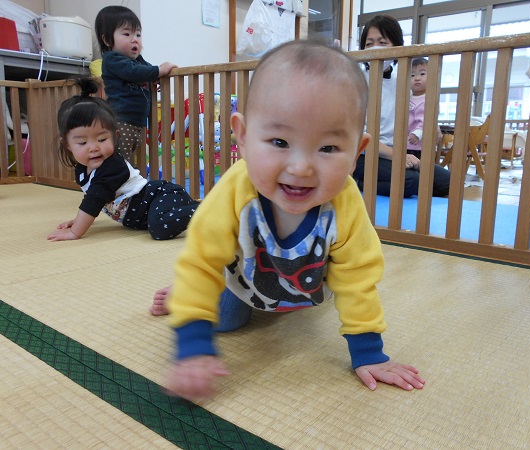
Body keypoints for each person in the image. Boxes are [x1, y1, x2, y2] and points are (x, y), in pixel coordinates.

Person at [153, 40, 425, 400]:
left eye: (327, 148)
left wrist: (369, 353)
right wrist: (192, 347)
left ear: (356, 153)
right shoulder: (235, 191)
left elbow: (358, 276)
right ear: (243, 137)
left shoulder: (345, 202)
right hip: (243, 281)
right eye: (280, 141)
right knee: (226, 320)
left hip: (306, 289)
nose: (300, 168)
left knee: (310, 306)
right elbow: (201, 260)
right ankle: (182, 295)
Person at [47, 78, 199, 242]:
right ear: (68, 145)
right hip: (153, 209)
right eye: (82, 143)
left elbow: (93, 201)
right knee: (156, 224)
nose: (93, 148)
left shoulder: (112, 167)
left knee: (159, 228)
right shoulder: (82, 171)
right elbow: (92, 202)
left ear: (115, 136)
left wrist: (75, 232)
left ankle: (206, 209)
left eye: (102, 139)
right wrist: (78, 221)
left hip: (161, 196)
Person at [352, 15, 450, 198]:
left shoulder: (403, 81)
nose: (375, 49)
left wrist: (432, 123)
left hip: (394, 153)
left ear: (397, 46)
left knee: (447, 181)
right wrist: (396, 156)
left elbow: (415, 109)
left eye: (383, 43)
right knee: (411, 180)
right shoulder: (356, 79)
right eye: (369, 44)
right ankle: (359, 182)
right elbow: (356, 135)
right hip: (363, 154)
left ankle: (377, 182)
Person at [94, 5, 178, 166]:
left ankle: (118, 178)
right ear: (107, 40)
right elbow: (133, 72)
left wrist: (155, 78)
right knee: (116, 161)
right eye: (127, 34)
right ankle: (108, 180)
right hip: (121, 120)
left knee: (124, 160)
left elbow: (145, 71)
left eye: (138, 34)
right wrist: (159, 70)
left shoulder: (138, 60)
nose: (135, 39)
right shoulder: (112, 59)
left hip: (137, 122)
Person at [407, 57, 443, 156]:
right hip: (405, 143)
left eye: (422, 74)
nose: (417, 78)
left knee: (420, 163)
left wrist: (418, 133)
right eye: (412, 75)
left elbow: (428, 119)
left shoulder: (429, 99)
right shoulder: (407, 98)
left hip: (420, 143)